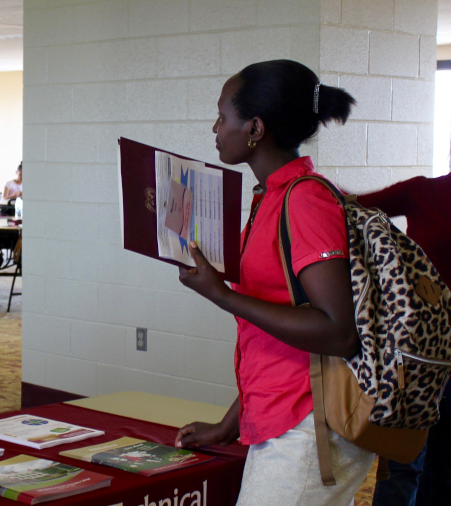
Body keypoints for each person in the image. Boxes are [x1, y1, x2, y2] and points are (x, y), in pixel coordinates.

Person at [173, 60, 374, 505]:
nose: (215, 127)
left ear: (255, 128)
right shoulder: (271, 198)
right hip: (280, 413)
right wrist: (230, 423)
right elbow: (273, 339)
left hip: (308, 424)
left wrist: (223, 297)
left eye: (223, 116)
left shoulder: (305, 201)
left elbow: (337, 332)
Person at [359, 173, 451, 506]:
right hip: (419, 354)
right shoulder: (423, 191)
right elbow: (353, 207)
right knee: (404, 465)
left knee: (442, 467)